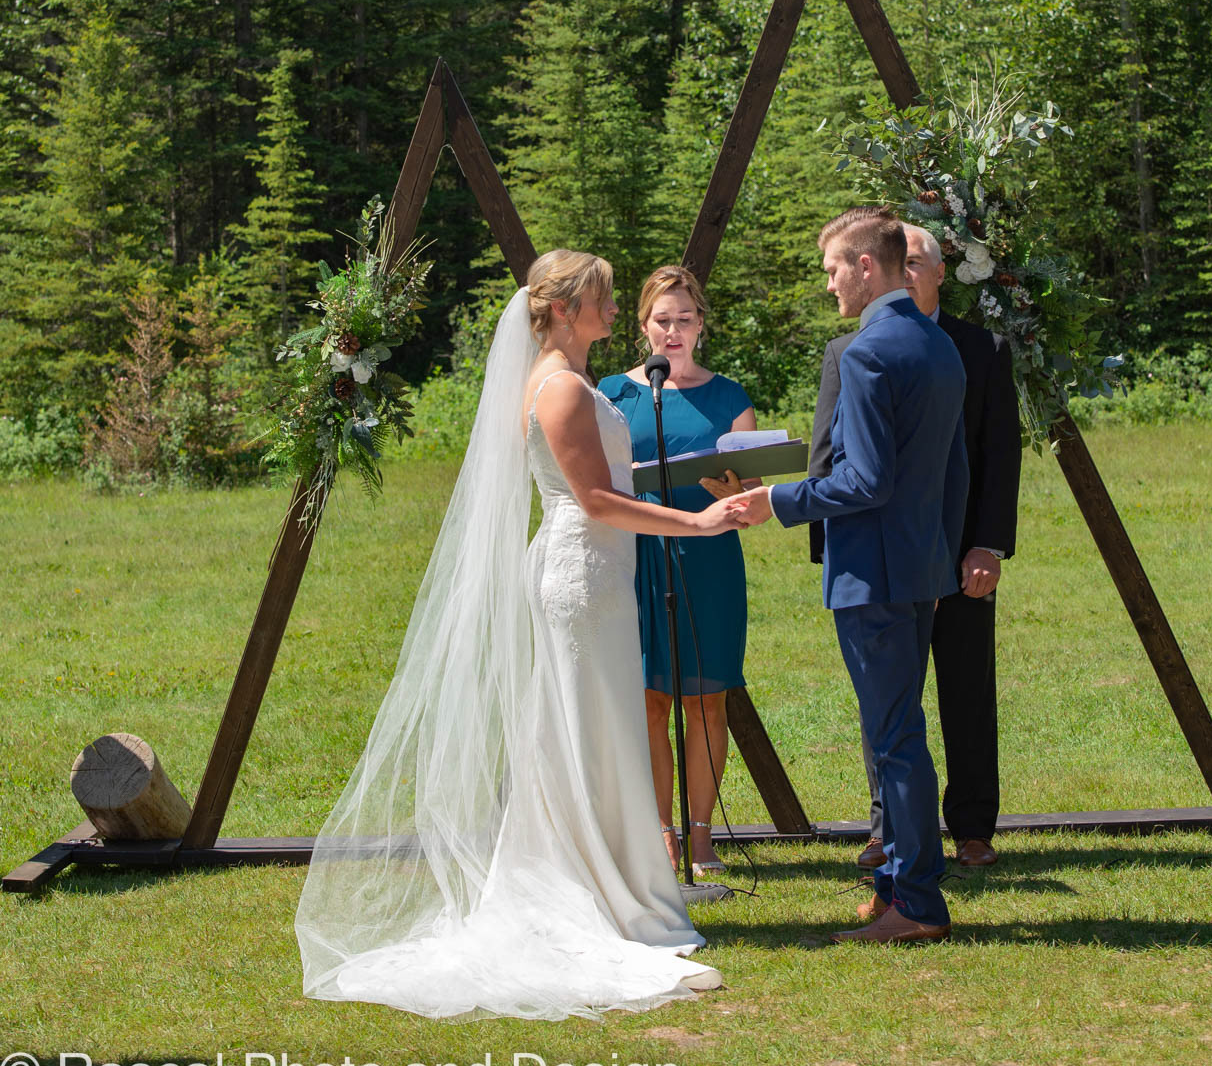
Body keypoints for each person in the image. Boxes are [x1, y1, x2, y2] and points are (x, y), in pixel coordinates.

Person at [295, 250, 748, 1021]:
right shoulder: (562, 388)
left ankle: (608, 875)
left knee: (590, 732)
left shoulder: (563, 380)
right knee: (584, 730)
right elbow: (596, 499)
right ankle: (594, 887)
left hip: (598, 576)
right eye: (604, 300)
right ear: (567, 309)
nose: (614, 312)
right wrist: (695, 521)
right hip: (582, 575)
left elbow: (609, 483)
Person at [731, 207, 968, 945]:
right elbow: (952, 471)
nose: (828, 282)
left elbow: (862, 481)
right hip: (919, 564)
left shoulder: (869, 352)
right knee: (898, 731)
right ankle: (898, 885)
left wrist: (774, 500)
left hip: (873, 571)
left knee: (893, 738)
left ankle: (917, 905)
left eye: (833, 267)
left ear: (868, 265)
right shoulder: (936, 344)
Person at [600, 266, 758, 875]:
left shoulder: (731, 398)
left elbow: (756, 501)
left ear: (701, 325)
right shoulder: (614, 393)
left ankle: (702, 835)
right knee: (649, 700)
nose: (673, 331)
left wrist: (737, 495)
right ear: (643, 326)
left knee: (706, 702)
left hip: (711, 561)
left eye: (684, 320)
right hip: (635, 560)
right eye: (662, 320)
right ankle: (658, 832)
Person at [899, 224, 1021, 868]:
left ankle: (973, 827)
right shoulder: (853, 348)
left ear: (943, 272)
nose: (908, 271)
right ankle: (886, 827)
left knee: (968, 693)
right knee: (890, 696)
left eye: (916, 261)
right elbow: (831, 457)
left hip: (962, 556)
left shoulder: (982, 348)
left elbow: (1001, 455)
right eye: (899, 262)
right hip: (890, 559)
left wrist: (989, 547)